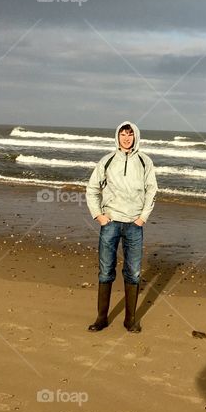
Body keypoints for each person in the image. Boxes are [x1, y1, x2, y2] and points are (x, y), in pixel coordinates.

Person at [85, 121, 157, 333]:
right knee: (106, 271)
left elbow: (152, 190)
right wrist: (98, 215)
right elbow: (92, 189)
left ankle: (130, 319)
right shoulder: (107, 161)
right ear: (117, 136)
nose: (127, 138)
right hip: (111, 223)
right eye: (123, 134)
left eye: (130, 134)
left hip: (134, 225)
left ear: (136, 137)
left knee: (133, 273)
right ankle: (101, 318)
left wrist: (142, 217)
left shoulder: (145, 161)